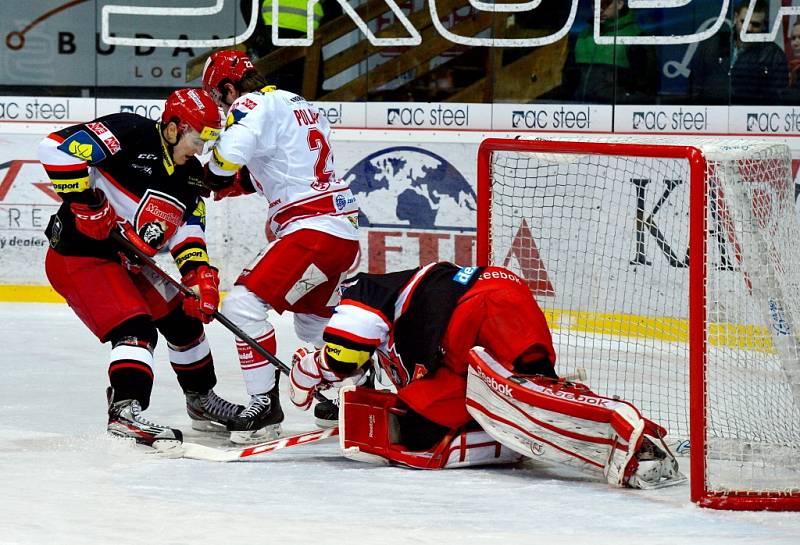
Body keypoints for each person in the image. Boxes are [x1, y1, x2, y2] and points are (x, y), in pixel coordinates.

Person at [288, 263, 684, 488]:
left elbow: (343, 353)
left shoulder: (362, 287)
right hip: (474, 327)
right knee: (425, 432)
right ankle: (621, 442)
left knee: (520, 398)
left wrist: (310, 370)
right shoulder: (393, 337)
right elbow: (371, 370)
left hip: (476, 311)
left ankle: (627, 427)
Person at [38, 88, 244, 449]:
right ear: (173, 128)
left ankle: (201, 400)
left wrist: (199, 276)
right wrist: (87, 203)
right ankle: (125, 410)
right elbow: (54, 148)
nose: (202, 149)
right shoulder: (128, 132)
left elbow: (187, 232)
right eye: (198, 138)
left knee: (184, 322)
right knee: (136, 329)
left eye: (210, 140)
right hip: (79, 256)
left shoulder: (191, 177)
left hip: (128, 262)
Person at [201, 50, 361, 443]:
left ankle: (264, 406)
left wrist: (205, 176)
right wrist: (238, 184)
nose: (222, 109)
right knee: (314, 321)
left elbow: (227, 159)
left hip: (312, 231)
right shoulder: (298, 103)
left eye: (218, 97)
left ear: (227, 87)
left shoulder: (250, 103)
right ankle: (350, 394)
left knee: (241, 306)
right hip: (343, 230)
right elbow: (286, 168)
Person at [690, 0, 788, 105]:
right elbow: (694, 86)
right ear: (735, 18)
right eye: (744, 22)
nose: (749, 28)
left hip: (751, 118)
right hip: (708, 114)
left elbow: (778, 101)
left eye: (755, 24)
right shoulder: (711, 45)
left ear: (764, 25)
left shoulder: (773, 55)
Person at [566, 0, 658, 103]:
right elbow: (569, 80)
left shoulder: (636, 37)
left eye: (605, 4)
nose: (599, 9)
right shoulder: (583, 36)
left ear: (619, 3)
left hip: (619, 114)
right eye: (594, 3)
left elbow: (646, 90)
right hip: (579, 112)